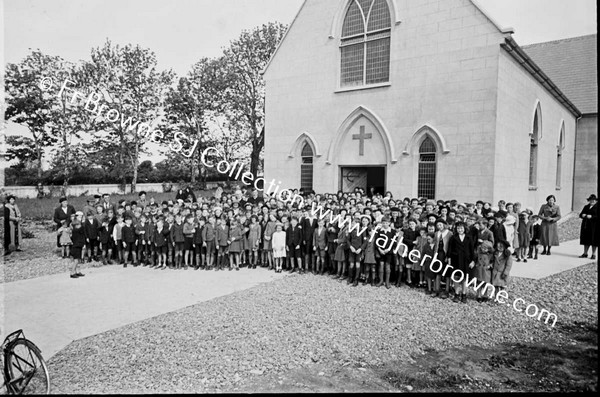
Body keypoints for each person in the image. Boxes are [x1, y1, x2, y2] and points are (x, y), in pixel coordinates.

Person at [579, 194, 598, 260]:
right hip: (586, 226)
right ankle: (585, 253)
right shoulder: (586, 207)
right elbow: (580, 215)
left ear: (595, 201)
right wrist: (582, 215)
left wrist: (592, 217)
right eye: (591, 200)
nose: (592, 201)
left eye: (593, 200)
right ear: (589, 200)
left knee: (594, 240)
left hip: (594, 227)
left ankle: (593, 254)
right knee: (586, 239)